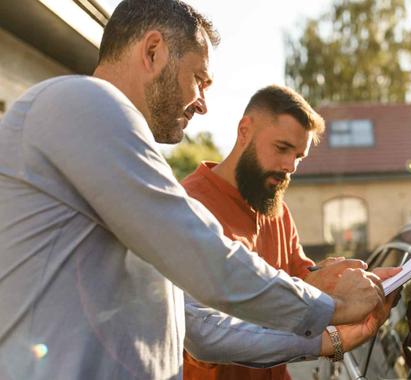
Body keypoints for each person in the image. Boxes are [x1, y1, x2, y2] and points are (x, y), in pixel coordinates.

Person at [0, 1, 385, 379]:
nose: (202, 104)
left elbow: (199, 328)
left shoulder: (117, 159)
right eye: (199, 79)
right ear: (153, 51)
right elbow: (206, 256)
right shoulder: (81, 102)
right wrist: (330, 306)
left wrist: (324, 341)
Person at [179, 85, 399, 380]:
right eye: (282, 149)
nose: (289, 167)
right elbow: (208, 330)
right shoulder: (189, 207)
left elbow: (303, 277)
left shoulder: (275, 208)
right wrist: (328, 314)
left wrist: (346, 279)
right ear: (245, 130)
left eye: (299, 156)